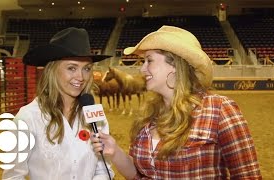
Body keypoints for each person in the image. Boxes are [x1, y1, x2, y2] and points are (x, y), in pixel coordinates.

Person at [91, 25, 262, 179]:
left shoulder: (219, 110)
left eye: (149, 60)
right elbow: (140, 174)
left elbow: (247, 175)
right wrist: (114, 151)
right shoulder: (148, 116)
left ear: (174, 65)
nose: (142, 68)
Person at [2, 27, 114, 180]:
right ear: (52, 71)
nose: (81, 77)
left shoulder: (94, 116)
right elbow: (13, 176)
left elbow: (103, 170)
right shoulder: (28, 117)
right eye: (71, 68)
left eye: (86, 68)